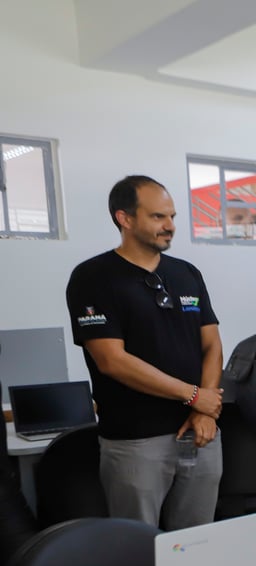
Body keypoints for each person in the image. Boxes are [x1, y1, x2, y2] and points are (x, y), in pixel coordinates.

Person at [65, 175, 223, 530]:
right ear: (125, 218)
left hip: (200, 433)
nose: (169, 227)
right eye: (157, 217)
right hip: (136, 442)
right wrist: (195, 396)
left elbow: (211, 344)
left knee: (196, 545)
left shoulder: (186, 274)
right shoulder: (93, 277)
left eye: (172, 217)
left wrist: (206, 410)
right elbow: (112, 360)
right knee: (138, 551)